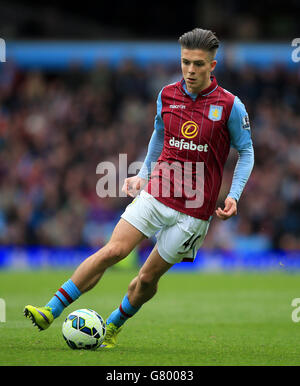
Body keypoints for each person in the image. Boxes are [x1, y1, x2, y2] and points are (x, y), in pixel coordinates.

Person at [24, 28, 254, 348]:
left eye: (198, 64)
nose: (190, 70)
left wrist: (234, 195)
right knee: (114, 251)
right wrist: (144, 172)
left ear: (212, 66)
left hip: (195, 212)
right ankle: (50, 310)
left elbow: (247, 151)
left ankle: (115, 323)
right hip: (158, 191)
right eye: (185, 62)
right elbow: (158, 135)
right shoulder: (167, 95)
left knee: (147, 278)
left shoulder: (230, 106)